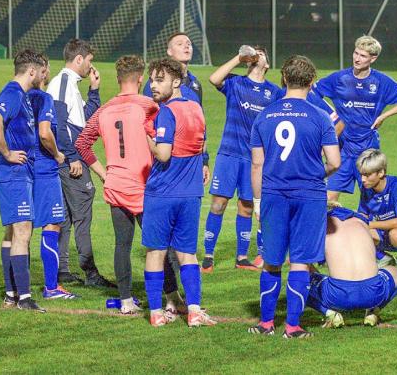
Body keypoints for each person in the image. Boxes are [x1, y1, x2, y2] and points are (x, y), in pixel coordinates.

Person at [248, 55, 341, 338]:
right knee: (300, 260)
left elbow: (257, 164)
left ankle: (265, 324)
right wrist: (316, 174)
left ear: (284, 79)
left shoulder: (264, 115)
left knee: (272, 260)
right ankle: (292, 326)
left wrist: (257, 202)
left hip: (273, 194)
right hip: (309, 195)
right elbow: (335, 162)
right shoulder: (320, 116)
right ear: (312, 83)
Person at [75, 55, 159, 314]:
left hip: (116, 185)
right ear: (141, 78)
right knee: (158, 244)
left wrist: (103, 173)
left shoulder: (105, 109)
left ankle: (125, 301)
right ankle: (170, 298)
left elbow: (82, 144)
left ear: (118, 78)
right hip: (145, 186)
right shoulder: (149, 106)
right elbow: (161, 140)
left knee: (122, 244)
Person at [141, 58, 216, 327]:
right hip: (191, 192)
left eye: (159, 80)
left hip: (163, 193)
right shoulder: (196, 107)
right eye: (151, 80)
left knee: (156, 252)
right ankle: (194, 310)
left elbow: (163, 154)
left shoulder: (166, 112)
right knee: (188, 253)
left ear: (175, 82)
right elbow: (203, 142)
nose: (153, 85)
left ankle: (155, 313)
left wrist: (147, 136)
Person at [201, 45, 283, 273]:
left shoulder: (274, 93)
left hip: (254, 159)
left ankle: (242, 257)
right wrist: (238, 56)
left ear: (267, 63)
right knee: (218, 204)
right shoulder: (236, 83)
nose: (257, 55)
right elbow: (214, 78)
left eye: (262, 53)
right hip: (229, 154)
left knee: (247, 206)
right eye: (254, 53)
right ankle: (208, 255)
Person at [46, 38, 113, 287]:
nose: (90, 66)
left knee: (64, 217)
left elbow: (85, 119)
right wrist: (72, 157)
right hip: (71, 161)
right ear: (79, 59)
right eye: (89, 61)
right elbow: (59, 123)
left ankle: (62, 270)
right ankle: (91, 274)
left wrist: (94, 91)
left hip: (68, 157)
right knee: (83, 213)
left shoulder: (71, 84)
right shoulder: (63, 82)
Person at [313, 36, 397, 201]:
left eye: (363, 56)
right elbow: (311, 93)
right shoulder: (339, 79)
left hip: (368, 149)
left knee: (372, 201)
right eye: (356, 53)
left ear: (373, 58)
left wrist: (384, 116)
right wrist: (331, 116)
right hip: (342, 149)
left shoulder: (381, 81)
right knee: (328, 200)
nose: (357, 59)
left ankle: (368, 226)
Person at [0, 49, 46, 311]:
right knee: (23, 231)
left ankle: (11, 294)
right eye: (41, 71)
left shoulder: (18, 95)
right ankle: (24, 298)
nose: (43, 76)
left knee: (13, 231)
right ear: (31, 71)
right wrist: (8, 153)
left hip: (19, 174)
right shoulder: (12, 92)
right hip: (13, 174)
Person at [27, 54, 78, 300]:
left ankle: (16, 289)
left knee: (20, 229)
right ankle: (51, 287)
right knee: (53, 224)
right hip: (45, 170)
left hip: (24, 168)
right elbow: (45, 133)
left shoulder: (19, 97)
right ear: (42, 71)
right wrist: (58, 155)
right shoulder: (44, 99)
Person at [307, 205, 397, 328]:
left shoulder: (322, 226)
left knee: (299, 278)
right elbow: (376, 243)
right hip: (373, 292)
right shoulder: (361, 222)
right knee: (394, 271)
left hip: (337, 295)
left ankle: (329, 313)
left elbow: (307, 261)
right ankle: (373, 310)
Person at [356, 149, 397, 269]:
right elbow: (362, 215)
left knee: (396, 235)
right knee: (357, 228)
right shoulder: (366, 189)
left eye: (367, 175)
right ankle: (385, 258)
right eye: (361, 174)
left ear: (381, 172)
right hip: (385, 232)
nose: (362, 179)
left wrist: (370, 224)